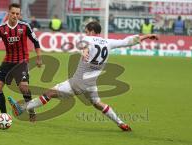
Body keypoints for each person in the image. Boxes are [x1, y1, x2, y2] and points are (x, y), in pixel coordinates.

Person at [9, 21, 158, 131]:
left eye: (86, 31)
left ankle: (22, 108)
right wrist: (147, 36)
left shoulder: (88, 39)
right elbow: (128, 41)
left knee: (49, 93)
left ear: (91, 31)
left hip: (79, 82)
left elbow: (83, 45)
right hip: (91, 83)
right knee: (97, 103)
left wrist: (84, 51)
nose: (86, 33)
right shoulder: (109, 42)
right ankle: (121, 123)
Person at [0, 3, 42, 122]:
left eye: (17, 13)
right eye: (13, 13)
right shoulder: (1, 28)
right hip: (7, 61)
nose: (15, 15)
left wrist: (38, 57)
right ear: (8, 13)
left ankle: (31, 110)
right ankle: (4, 116)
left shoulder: (25, 26)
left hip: (21, 61)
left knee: (23, 87)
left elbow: (36, 42)